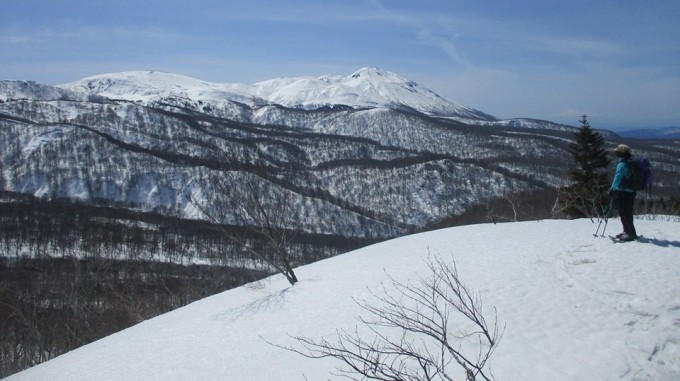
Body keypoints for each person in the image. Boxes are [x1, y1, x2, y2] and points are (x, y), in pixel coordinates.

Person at [609, 144, 637, 241]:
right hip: (631, 191)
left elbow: (617, 177)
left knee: (624, 212)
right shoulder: (630, 162)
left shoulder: (622, 164)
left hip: (623, 192)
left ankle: (629, 233)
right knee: (627, 212)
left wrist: (612, 189)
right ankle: (628, 232)